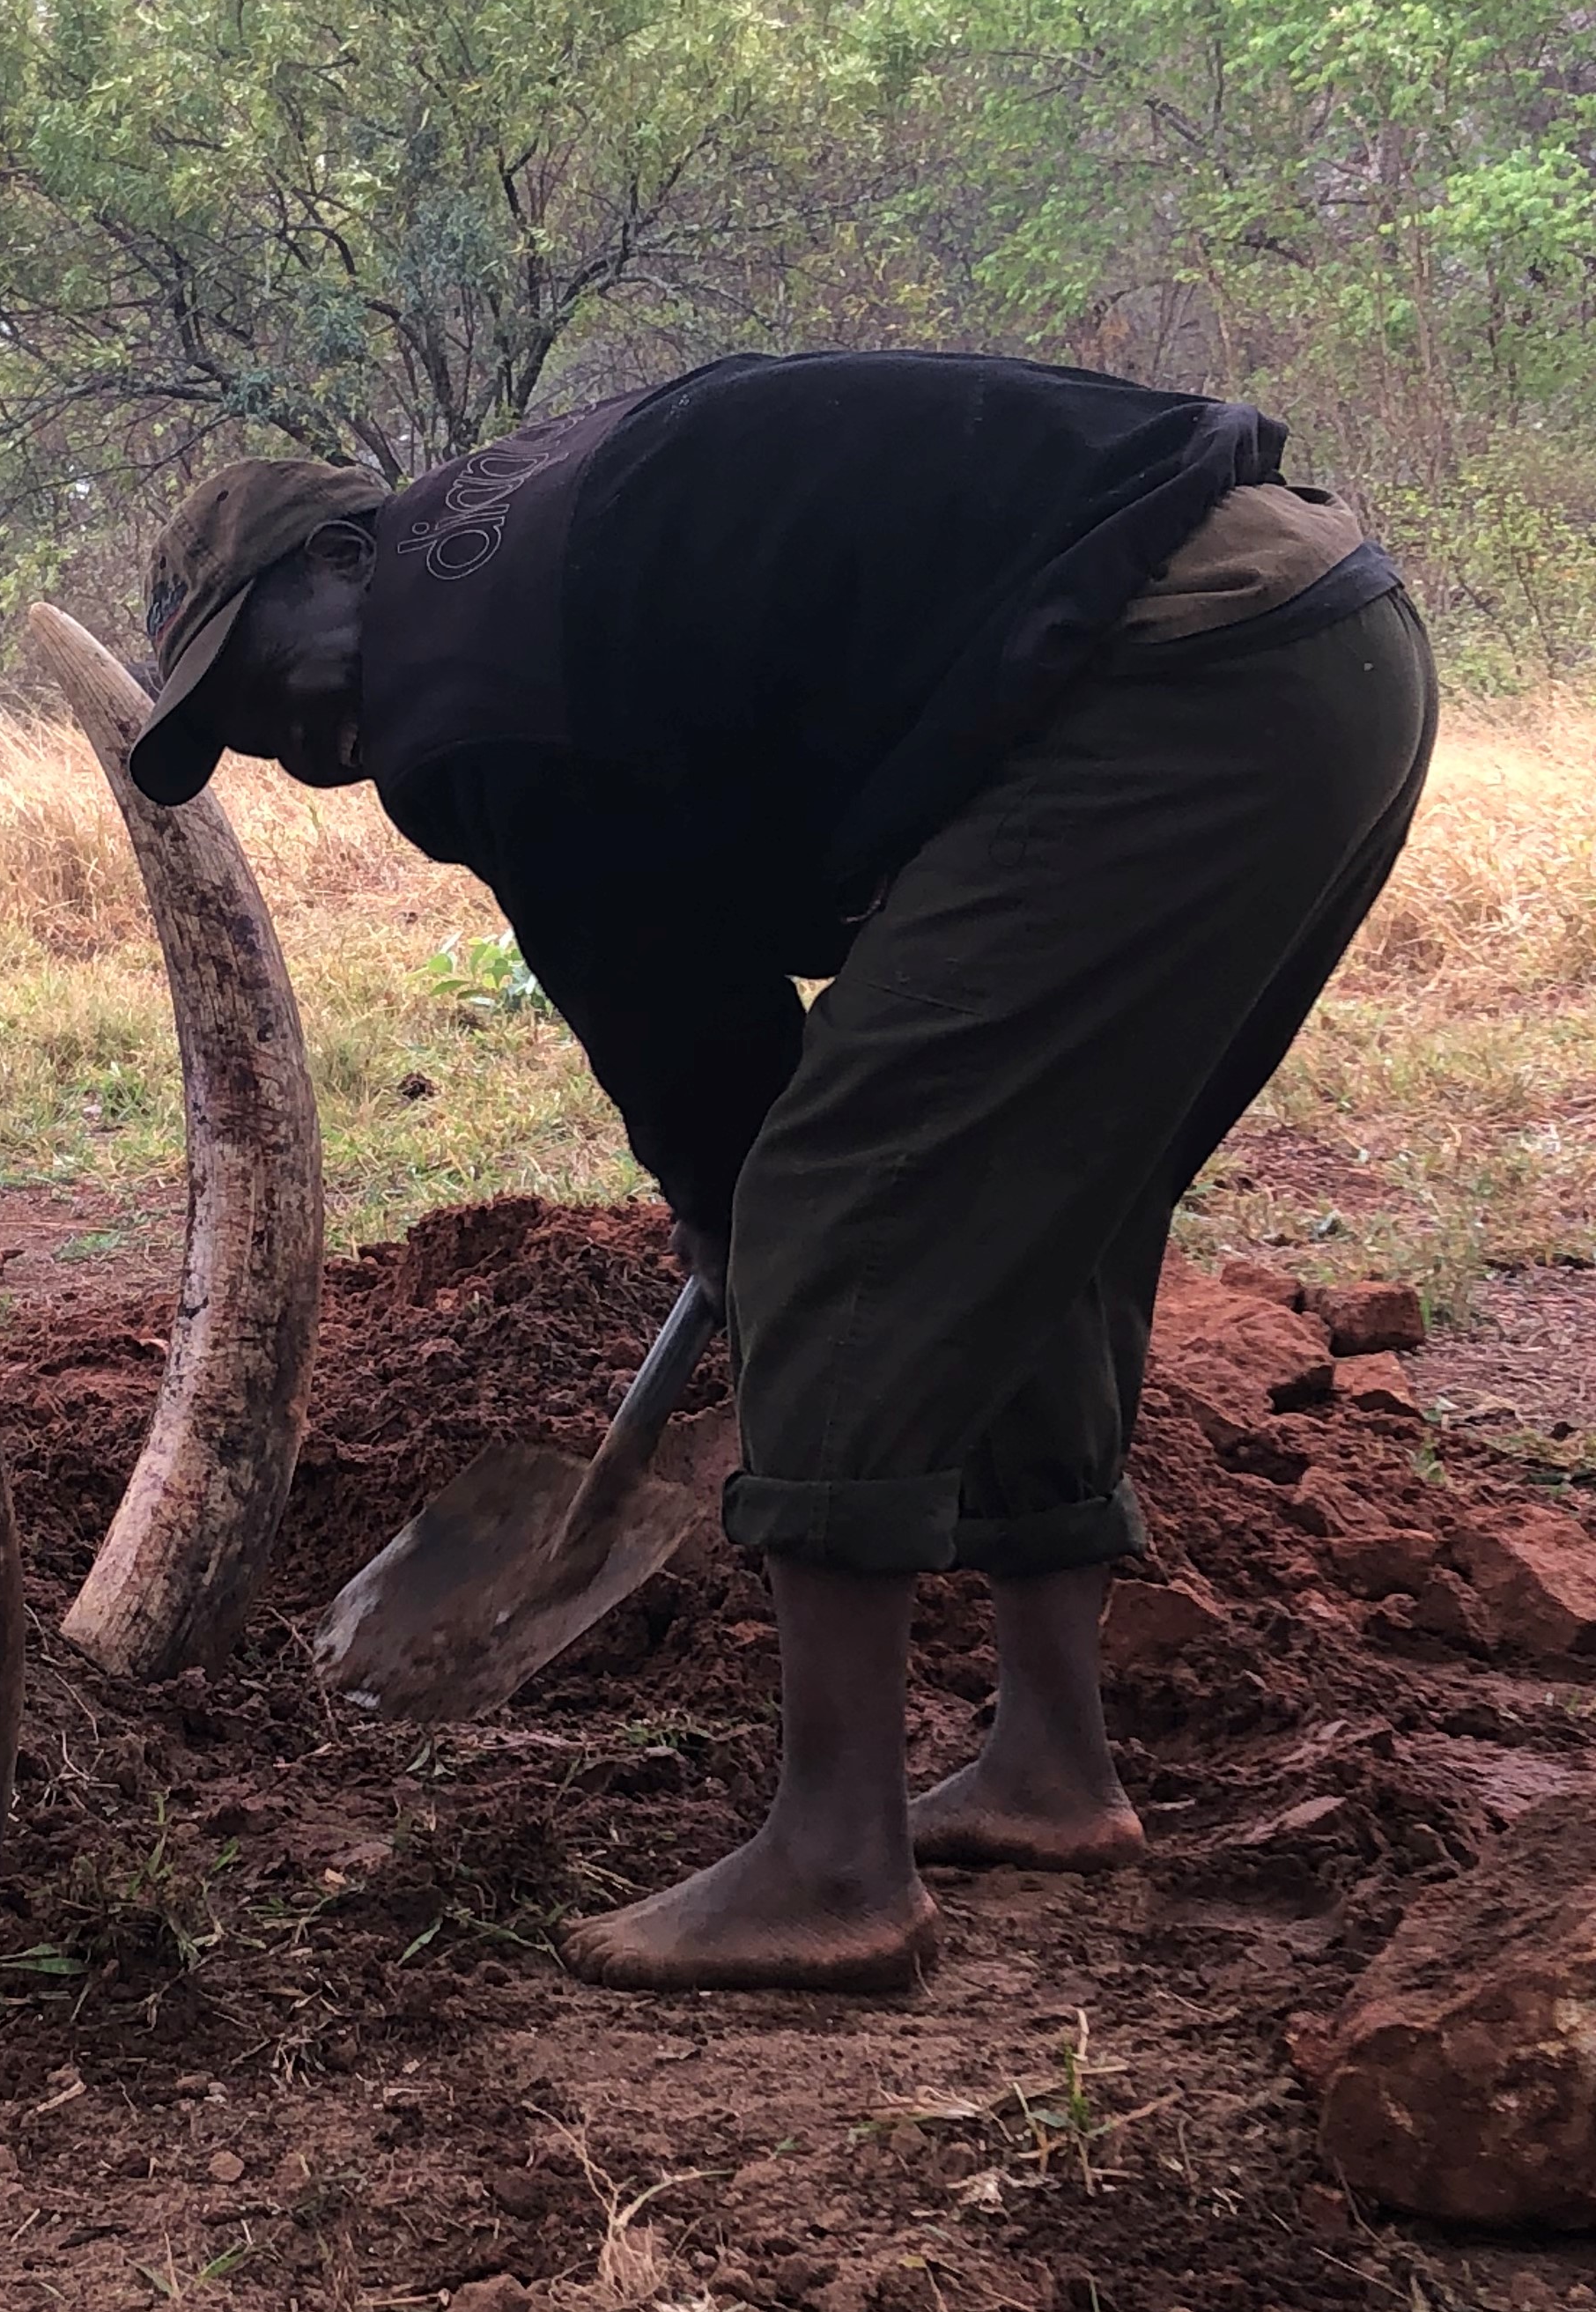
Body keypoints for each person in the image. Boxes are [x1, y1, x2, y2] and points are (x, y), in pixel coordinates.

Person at [122, 350, 1435, 1995]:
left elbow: (690, 1035)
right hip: (1316, 648)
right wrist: (730, 1168)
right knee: (1032, 1203)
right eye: (229, 728)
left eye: (258, 670)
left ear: (342, 559)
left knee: (836, 1205)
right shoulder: (512, 559)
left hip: (1183, 675)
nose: (279, 737)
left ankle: (833, 1861)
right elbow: (714, 929)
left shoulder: (467, 681)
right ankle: (1050, 1771)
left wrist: (740, 1215)